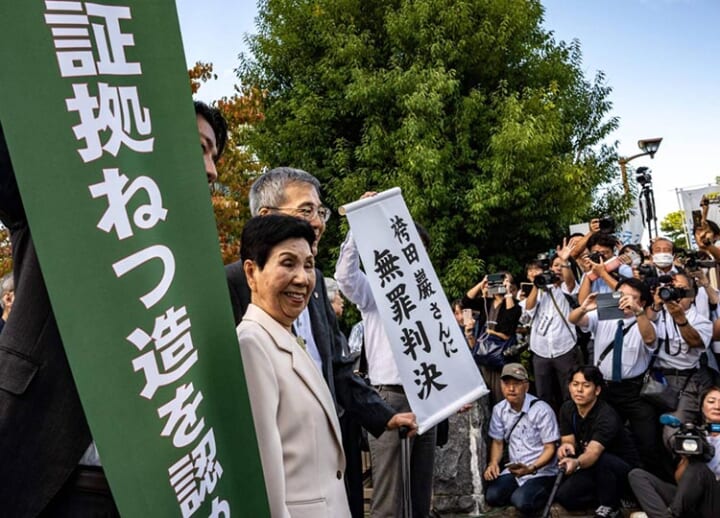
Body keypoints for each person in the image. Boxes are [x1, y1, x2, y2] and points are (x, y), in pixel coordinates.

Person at [0, 102, 227, 516]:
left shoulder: (194, 261)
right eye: (200, 148)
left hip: (151, 488)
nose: (212, 171)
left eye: (215, 157)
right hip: (44, 463)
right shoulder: (63, 195)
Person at [225, 168, 416, 518]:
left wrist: (385, 416)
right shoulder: (234, 302)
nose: (317, 222)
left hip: (331, 478)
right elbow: (259, 455)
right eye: (305, 211)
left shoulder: (311, 291)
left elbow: (337, 370)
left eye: (320, 212)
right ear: (253, 272)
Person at [236, 214, 350, 517]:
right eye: (288, 263)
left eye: (308, 265)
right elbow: (265, 464)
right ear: (251, 272)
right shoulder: (252, 344)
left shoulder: (285, 335)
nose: (302, 278)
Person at [334, 195, 435, 518]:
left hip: (428, 395)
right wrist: (357, 224)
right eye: (407, 247)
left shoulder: (429, 294)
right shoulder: (376, 290)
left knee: (420, 491)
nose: (411, 255)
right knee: (389, 495)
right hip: (388, 397)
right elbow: (346, 277)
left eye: (419, 250)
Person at [568, 277, 663, 477]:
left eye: (633, 298)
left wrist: (638, 312)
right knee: (606, 440)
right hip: (605, 389)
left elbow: (650, 339)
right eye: (622, 295)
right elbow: (574, 319)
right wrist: (584, 307)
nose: (626, 301)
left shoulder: (645, 323)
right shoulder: (604, 317)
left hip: (634, 390)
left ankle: (651, 485)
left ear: (642, 302)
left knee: (647, 441)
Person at [555, 366, 640, 518]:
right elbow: (568, 440)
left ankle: (610, 506)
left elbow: (593, 452)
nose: (579, 390)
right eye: (575, 384)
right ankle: (607, 497)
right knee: (565, 497)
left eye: (586, 385)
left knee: (603, 459)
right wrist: (566, 447)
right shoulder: (567, 408)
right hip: (593, 468)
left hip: (620, 469)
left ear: (597, 390)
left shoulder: (607, 416)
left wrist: (576, 463)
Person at [629, 385, 720, 517]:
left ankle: (672, 513)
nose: (716, 406)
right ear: (702, 407)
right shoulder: (694, 436)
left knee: (698, 468)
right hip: (690, 501)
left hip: (714, 500)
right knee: (637, 475)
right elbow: (680, 481)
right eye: (711, 401)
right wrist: (687, 458)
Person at [483, 363, 560, 516]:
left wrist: (531, 468)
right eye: (507, 384)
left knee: (522, 501)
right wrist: (493, 463)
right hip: (515, 470)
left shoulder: (542, 410)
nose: (511, 389)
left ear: (526, 386)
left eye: (516, 384)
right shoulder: (499, 409)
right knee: (492, 496)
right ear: (501, 385)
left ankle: (545, 492)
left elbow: (550, 447)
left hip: (541, 470)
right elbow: (497, 442)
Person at [524, 248, 580, 411]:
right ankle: (548, 430)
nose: (557, 269)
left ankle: (570, 429)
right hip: (540, 350)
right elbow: (528, 308)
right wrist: (538, 283)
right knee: (543, 395)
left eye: (559, 266)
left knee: (568, 393)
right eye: (554, 265)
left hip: (565, 348)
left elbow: (570, 283)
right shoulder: (539, 290)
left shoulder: (566, 289)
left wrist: (564, 262)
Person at [462, 272, 522, 404]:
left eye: (504, 282)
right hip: (484, 355)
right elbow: (465, 301)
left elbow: (508, 327)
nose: (499, 285)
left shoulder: (515, 306)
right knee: (486, 398)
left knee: (503, 396)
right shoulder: (487, 302)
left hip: (503, 358)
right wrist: (481, 283)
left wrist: (507, 294)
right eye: (497, 282)